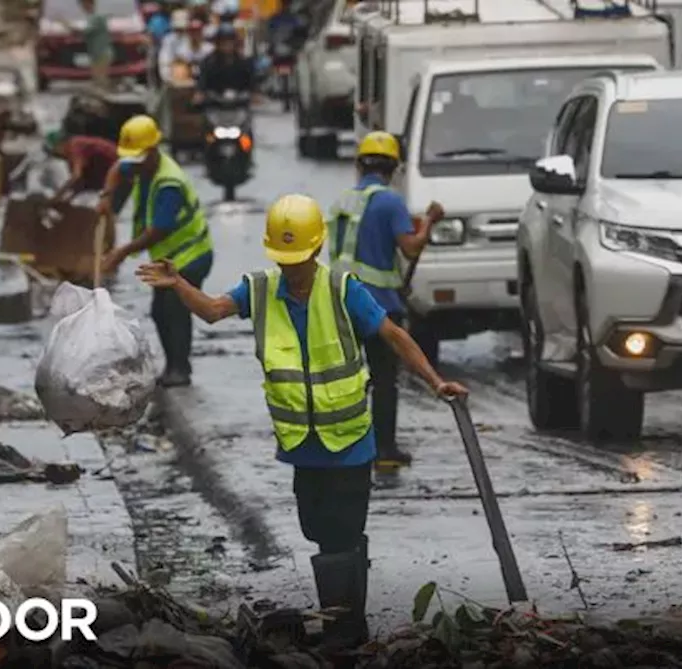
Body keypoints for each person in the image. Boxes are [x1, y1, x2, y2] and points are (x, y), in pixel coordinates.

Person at [134, 194, 468, 648]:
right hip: (301, 443)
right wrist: (177, 284)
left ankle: (345, 628)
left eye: (298, 259)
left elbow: (392, 335)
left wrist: (435, 381)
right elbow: (212, 311)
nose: (292, 268)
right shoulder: (259, 289)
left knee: (341, 534)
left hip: (350, 438)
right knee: (319, 532)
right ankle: (347, 622)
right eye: (284, 259)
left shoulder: (341, 289)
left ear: (315, 250)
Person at [327, 131, 444, 468]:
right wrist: (430, 223)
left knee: (347, 379)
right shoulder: (390, 202)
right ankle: (384, 450)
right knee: (384, 380)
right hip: (378, 306)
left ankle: (345, 445)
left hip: (340, 301)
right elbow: (409, 247)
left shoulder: (342, 203)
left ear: (360, 165)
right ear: (393, 168)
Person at [98, 115, 214, 387]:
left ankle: (180, 370)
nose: (133, 166)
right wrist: (107, 196)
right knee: (159, 310)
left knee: (174, 309)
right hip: (169, 259)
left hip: (191, 254)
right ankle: (171, 366)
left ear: (152, 152)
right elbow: (118, 168)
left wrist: (122, 252)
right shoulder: (143, 167)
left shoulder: (168, 183)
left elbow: (159, 229)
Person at [43, 126, 119, 212]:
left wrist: (57, 196)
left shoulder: (74, 146)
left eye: (55, 151)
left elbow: (76, 176)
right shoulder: (72, 152)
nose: (57, 154)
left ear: (59, 145)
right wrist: (68, 199)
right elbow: (80, 182)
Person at [194, 24, 257, 104]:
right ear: (217, 43)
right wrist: (199, 93)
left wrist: (254, 94)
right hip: (215, 105)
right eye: (223, 41)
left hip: (239, 105)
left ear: (235, 42)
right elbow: (202, 81)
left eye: (230, 41)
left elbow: (252, 83)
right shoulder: (207, 62)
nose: (227, 44)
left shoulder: (245, 62)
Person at [80, 0, 114, 89]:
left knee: (100, 80)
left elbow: (85, 32)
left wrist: (66, 25)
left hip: (101, 53)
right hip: (98, 54)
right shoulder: (93, 17)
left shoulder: (96, 17)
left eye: (84, 4)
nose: (83, 7)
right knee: (98, 79)